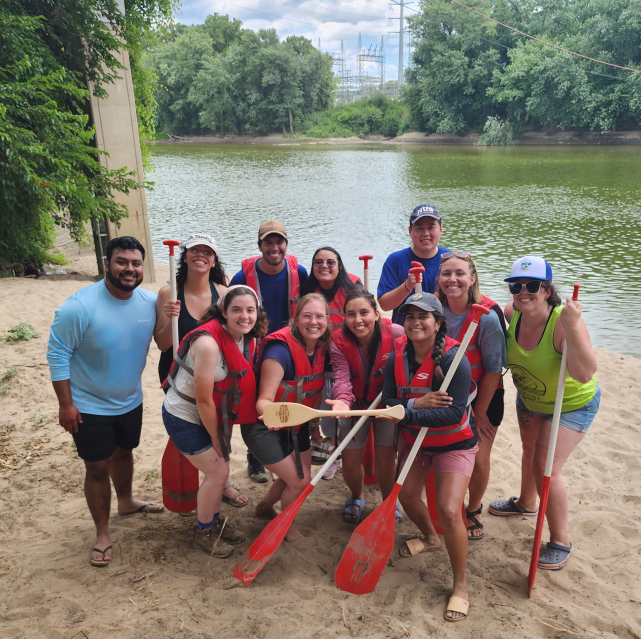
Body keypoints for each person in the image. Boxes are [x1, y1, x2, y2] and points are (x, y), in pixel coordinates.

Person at [47, 236, 164, 568]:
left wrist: (172, 314)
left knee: (124, 453)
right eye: (122, 262)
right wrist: (65, 404)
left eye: (136, 263)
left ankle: (126, 501)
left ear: (143, 267)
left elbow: (167, 341)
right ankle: (102, 532)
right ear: (107, 264)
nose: (129, 269)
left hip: (130, 400)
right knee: (97, 467)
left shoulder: (149, 302)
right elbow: (57, 355)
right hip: (88, 405)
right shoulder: (79, 307)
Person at [489, 256, 599, 571]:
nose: (524, 291)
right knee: (529, 453)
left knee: (545, 465)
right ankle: (526, 503)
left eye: (532, 285)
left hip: (572, 404)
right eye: (516, 285)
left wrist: (573, 325)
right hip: (531, 401)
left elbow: (585, 373)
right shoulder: (513, 313)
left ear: (547, 289)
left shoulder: (562, 321)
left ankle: (561, 540)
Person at [382, 292, 477, 622]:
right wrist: (414, 405)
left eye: (424, 316)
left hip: (454, 444)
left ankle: (461, 585)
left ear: (438, 323)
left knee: (450, 510)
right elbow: (390, 401)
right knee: (407, 497)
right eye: (409, 316)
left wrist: (405, 415)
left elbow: (453, 414)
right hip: (416, 443)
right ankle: (431, 539)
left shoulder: (453, 360)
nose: (415, 322)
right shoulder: (396, 355)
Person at [162, 286, 268, 556]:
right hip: (183, 417)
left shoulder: (245, 337)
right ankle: (204, 532)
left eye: (250, 310)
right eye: (236, 310)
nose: (244, 316)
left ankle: (214, 520)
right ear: (223, 311)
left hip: (210, 416)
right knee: (219, 471)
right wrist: (216, 438)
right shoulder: (208, 343)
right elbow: (203, 400)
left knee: (220, 469)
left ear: (257, 312)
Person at [156, 234, 246, 508]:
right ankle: (210, 477)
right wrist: (170, 317)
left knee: (219, 424)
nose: (201, 255)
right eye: (195, 250)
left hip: (215, 372)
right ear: (184, 256)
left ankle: (223, 482)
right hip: (178, 371)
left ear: (214, 259)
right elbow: (161, 343)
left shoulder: (223, 290)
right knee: (190, 421)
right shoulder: (167, 292)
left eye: (207, 252)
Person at [242, 293, 329, 541]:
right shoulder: (280, 351)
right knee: (299, 483)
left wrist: (313, 424)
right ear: (296, 319)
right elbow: (263, 400)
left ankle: (264, 508)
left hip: (297, 424)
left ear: (327, 320)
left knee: (298, 476)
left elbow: (313, 391)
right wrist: (272, 417)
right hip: (264, 426)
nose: (314, 322)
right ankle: (286, 527)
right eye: (307, 316)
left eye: (320, 316)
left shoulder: (323, 347)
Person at [229, 220, 308, 483]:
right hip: (253, 350)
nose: (274, 248)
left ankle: (286, 445)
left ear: (286, 244)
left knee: (284, 395)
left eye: (279, 242)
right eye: (268, 242)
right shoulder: (242, 278)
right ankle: (255, 458)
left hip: (285, 349)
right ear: (259, 245)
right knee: (255, 402)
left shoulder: (301, 273)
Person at [435, 251, 507, 540]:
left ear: (472, 278)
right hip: (449, 396)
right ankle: (448, 505)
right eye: (446, 274)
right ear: (438, 279)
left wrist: (479, 411)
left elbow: (492, 371)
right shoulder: (434, 308)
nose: (453, 280)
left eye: (460, 274)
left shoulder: (485, 318)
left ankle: (474, 508)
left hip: (484, 397)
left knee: (478, 458)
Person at [328, 289, 404, 522]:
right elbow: (341, 377)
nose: (358, 320)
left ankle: (389, 501)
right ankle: (356, 495)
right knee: (350, 462)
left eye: (364, 313)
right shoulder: (337, 341)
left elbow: (407, 371)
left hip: (386, 408)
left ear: (377, 314)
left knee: (385, 460)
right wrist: (342, 402)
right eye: (351, 314)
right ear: (344, 317)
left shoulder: (397, 334)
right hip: (354, 407)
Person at [301, 247, 361, 479]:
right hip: (319, 362)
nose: (324, 266)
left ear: (340, 266)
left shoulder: (353, 288)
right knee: (328, 417)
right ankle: (335, 454)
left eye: (330, 262)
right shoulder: (308, 291)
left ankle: (347, 453)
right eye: (318, 262)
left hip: (347, 360)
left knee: (346, 411)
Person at [377, 204, 450, 326]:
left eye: (431, 227)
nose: (425, 233)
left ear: (441, 229)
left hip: (443, 333)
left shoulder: (451, 259)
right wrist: (407, 286)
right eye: (419, 228)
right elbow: (385, 305)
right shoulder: (395, 260)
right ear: (410, 231)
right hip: (406, 333)